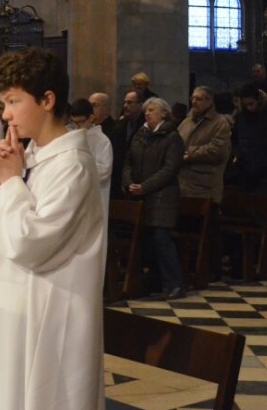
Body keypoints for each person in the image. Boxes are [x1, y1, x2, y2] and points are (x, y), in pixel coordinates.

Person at [0, 48, 104, 410]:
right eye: (2, 103)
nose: (4, 114)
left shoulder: (72, 165)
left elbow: (30, 244)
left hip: (49, 315)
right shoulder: (34, 158)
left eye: (12, 101)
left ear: (47, 100)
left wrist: (9, 183)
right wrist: (0, 180)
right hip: (13, 308)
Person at [122, 97, 185, 299]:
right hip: (142, 196)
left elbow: (170, 169)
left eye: (151, 110)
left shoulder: (172, 137)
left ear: (163, 113)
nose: (147, 113)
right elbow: (128, 161)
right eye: (146, 110)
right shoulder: (140, 134)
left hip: (162, 197)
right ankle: (154, 282)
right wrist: (128, 182)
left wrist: (145, 186)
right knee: (148, 242)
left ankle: (174, 284)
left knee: (161, 239)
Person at [177, 86, 231, 281]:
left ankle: (211, 271)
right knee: (187, 229)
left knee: (208, 232)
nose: (194, 102)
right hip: (184, 185)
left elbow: (218, 151)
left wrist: (189, 154)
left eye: (199, 99)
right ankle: (189, 267)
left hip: (206, 185)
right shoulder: (186, 122)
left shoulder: (219, 123)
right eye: (193, 98)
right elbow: (176, 143)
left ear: (210, 101)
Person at [69, 97, 113, 261]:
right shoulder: (71, 138)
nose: (77, 127)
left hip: (94, 198)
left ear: (91, 118)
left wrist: (77, 165)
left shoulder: (102, 141)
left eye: (81, 122)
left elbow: (104, 170)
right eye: (74, 123)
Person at [231, 82, 267, 192]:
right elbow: (235, 138)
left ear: (258, 100)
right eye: (245, 104)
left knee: (263, 201)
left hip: (265, 166)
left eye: (251, 103)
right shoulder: (240, 116)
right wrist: (236, 154)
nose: (249, 107)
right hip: (244, 166)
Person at [109, 88, 145, 197]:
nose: (125, 106)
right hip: (118, 178)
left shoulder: (145, 126)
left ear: (140, 105)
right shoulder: (120, 125)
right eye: (124, 102)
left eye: (129, 103)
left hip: (136, 180)